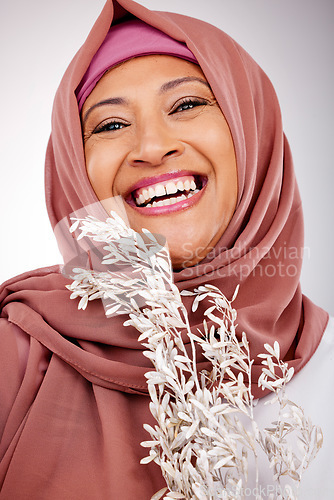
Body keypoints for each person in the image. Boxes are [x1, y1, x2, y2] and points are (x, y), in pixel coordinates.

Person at [0, 0, 332, 498]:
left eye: (187, 105)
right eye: (110, 126)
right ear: (73, 169)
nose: (152, 147)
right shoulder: (16, 359)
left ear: (252, 134)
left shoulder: (328, 369)